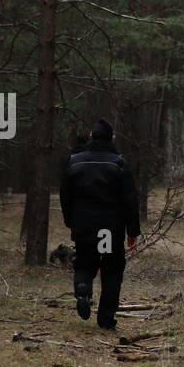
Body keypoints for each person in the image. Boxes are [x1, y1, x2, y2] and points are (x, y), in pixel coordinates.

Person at [59, 118, 141, 330]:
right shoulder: (118, 163)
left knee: (86, 263)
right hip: (108, 230)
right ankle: (106, 319)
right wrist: (132, 231)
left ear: (91, 137)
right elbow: (130, 199)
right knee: (111, 270)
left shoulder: (74, 161)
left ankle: (83, 287)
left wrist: (70, 220)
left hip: (84, 226)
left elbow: (65, 195)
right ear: (111, 138)